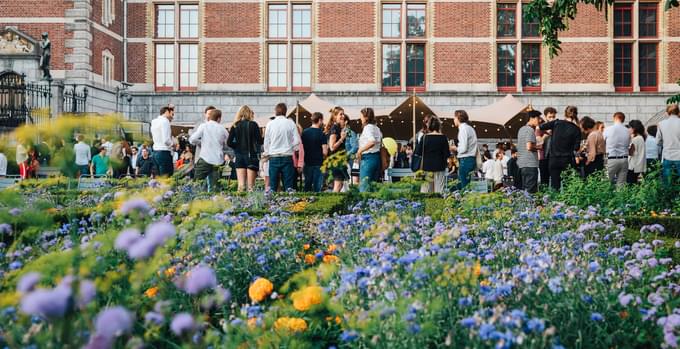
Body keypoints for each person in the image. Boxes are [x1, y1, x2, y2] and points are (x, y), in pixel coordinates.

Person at [539, 105, 581, 190]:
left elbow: (541, 127)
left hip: (553, 160)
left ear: (565, 114)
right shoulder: (576, 129)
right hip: (567, 160)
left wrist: (550, 133)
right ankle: (566, 203)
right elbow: (576, 148)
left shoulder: (556, 123)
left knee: (555, 186)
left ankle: (554, 202)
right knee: (567, 186)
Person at [263, 103, 300, 192]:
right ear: (285, 111)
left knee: (273, 187)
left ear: (275, 111)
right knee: (288, 187)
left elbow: (266, 141)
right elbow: (297, 141)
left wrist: (267, 152)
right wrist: (292, 148)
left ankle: (271, 204)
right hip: (287, 156)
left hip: (273, 157)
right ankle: (289, 204)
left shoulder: (270, 124)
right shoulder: (290, 123)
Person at [189, 108, 229, 187]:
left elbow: (192, 139)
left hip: (205, 159)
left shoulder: (204, 126)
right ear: (219, 118)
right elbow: (228, 144)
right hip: (218, 161)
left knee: (196, 184)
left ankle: (194, 198)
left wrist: (201, 143)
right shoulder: (223, 129)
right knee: (215, 187)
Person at [227, 105, 263, 192]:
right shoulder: (253, 125)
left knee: (241, 185)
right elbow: (260, 141)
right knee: (251, 187)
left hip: (239, 157)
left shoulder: (234, 125)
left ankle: (239, 204)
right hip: (251, 156)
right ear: (249, 113)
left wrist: (237, 146)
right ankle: (251, 204)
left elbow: (229, 143)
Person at [414, 116, 450, 193]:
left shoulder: (424, 137)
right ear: (439, 126)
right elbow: (447, 154)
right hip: (440, 166)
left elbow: (418, 152)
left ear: (429, 126)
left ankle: (425, 204)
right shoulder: (443, 137)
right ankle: (440, 204)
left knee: (426, 190)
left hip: (426, 167)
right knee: (440, 190)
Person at [356, 108, 383, 192]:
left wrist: (360, 150)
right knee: (373, 188)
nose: (360, 118)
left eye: (361, 116)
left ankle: (363, 205)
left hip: (368, 159)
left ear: (366, 118)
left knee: (364, 188)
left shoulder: (367, 128)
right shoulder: (377, 128)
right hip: (377, 159)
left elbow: (372, 141)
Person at [301, 112, 328, 192]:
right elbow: (325, 152)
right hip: (318, 163)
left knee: (307, 185)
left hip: (307, 162)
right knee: (317, 188)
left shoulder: (304, 132)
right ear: (319, 120)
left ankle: (304, 203)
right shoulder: (321, 134)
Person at [451, 110, 478, 189]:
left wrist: (454, 148)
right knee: (466, 185)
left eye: (455, 117)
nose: (454, 120)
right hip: (470, 159)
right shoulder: (470, 128)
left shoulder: (463, 129)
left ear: (458, 118)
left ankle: (464, 201)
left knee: (464, 187)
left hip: (465, 160)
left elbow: (463, 148)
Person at [603, 112, 631, 186]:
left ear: (614, 118)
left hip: (612, 158)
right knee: (621, 184)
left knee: (607, 183)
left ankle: (607, 197)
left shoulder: (608, 129)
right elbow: (628, 144)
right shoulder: (628, 131)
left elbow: (603, 142)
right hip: (624, 159)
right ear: (623, 120)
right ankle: (620, 197)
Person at [517, 111, 541, 193]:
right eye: (538, 118)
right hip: (530, 164)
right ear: (532, 118)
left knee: (525, 190)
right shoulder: (530, 130)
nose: (540, 120)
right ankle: (530, 206)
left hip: (522, 164)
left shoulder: (521, 129)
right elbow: (529, 146)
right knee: (531, 191)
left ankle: (525, 205)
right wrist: (539, 147)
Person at [657, 104, 680, 186]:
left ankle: (668, 198)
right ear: (678, 112)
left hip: (667, 155)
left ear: (667, 113)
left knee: (667, 182)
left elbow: (658, 141)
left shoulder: (661, 123)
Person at [327, 107, 349, 192]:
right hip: (336, 160)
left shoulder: (338, 127)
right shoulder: (335, 128)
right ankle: (332, 204)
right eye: (341, 114)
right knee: (338, 184)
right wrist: (342, 139)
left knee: (340, 185)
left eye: (343, 114)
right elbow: (332, 147)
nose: (343, 116)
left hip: (339, 160)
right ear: (335, 116)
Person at [151, 106, 175, 176]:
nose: (172, 117)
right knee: (166, 178)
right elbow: (166, 140)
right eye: (172, 114)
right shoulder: (165, 121)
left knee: (159, 178)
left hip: (155, 152)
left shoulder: (154, 121)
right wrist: (173, 144)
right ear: (167, 112)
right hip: (164, 152)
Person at [537, 107, 557, 186]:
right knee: (544, 181)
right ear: (545, 117)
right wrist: (546, 134)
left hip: (554, 157)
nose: (552, 119)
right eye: (550, 117)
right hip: (543, 158)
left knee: (555, 180)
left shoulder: (557, 127)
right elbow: (539, 143)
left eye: (553, 117)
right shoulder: (540, 128)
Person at [627, 120, 647, 185]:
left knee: (630, 184)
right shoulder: (641, 137)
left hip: (633, 165)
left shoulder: (635, 139)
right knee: (634, 183)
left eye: (630, 127)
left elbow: (630, 152)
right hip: (638, 164)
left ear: (634, 128)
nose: (629, 129)